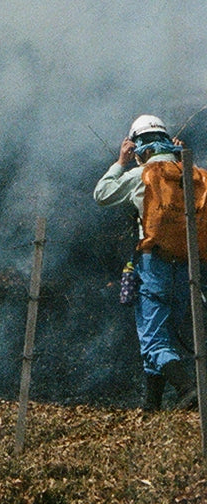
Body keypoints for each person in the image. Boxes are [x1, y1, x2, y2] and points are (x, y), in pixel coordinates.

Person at [94, 113, 197, 411]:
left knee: (153, 339)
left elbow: (101, 194)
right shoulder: (187, 171)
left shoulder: (141, 174)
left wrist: (121, 161)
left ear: (139, 145)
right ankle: (152, 409)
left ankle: (189, 390)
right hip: (186, 264)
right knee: (159, 335)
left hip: (154, 264)